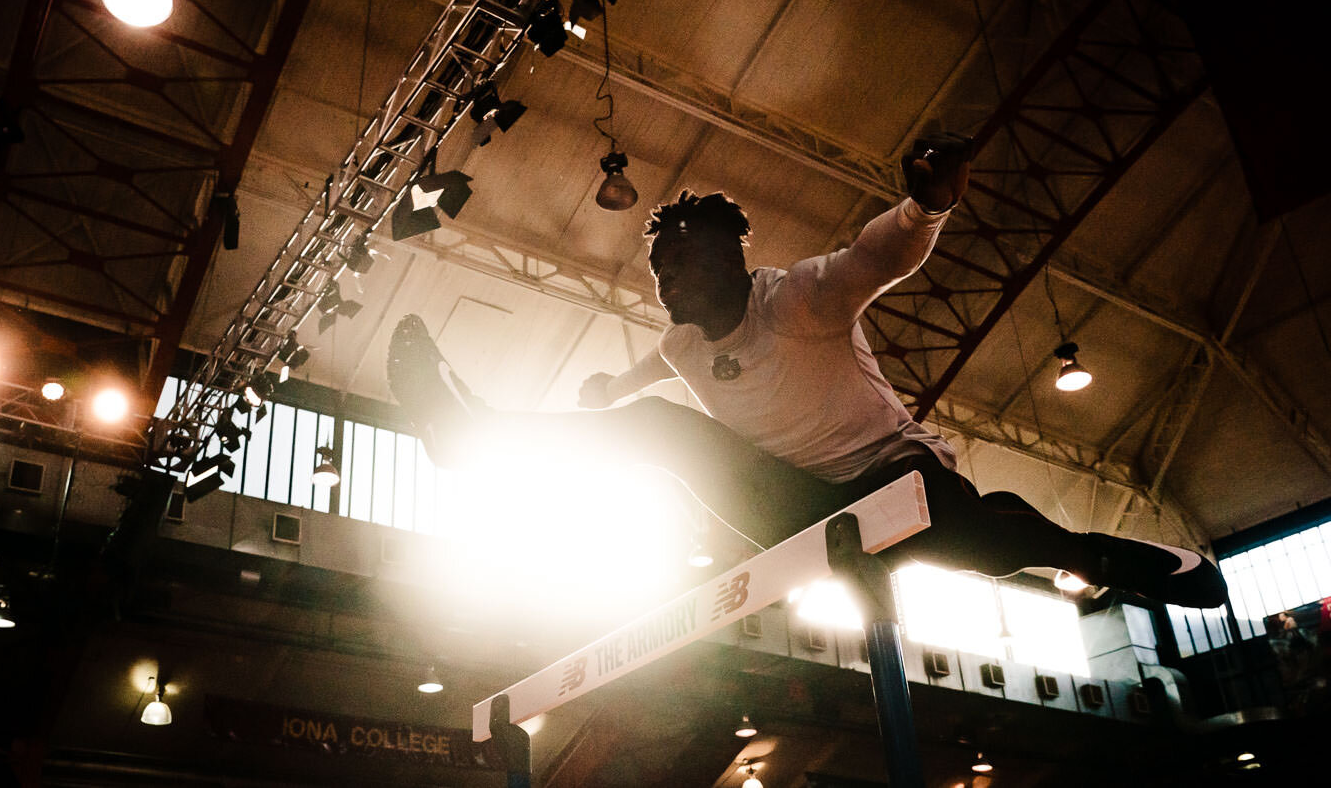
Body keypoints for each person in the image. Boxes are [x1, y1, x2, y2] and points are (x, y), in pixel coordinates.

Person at [386, 132, 1227, 609]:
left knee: (964, 529)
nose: (661, 280)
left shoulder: (797, 300)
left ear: (725, 259)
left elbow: (877, 258)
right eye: (656, 270)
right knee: (652, 431)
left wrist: (926, 206)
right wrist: (611, 390)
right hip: (794, 507)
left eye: (676, 263)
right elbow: (646, 369)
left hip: (895, 475)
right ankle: (472, 435)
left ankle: (1098, 555)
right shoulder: (681, 344)